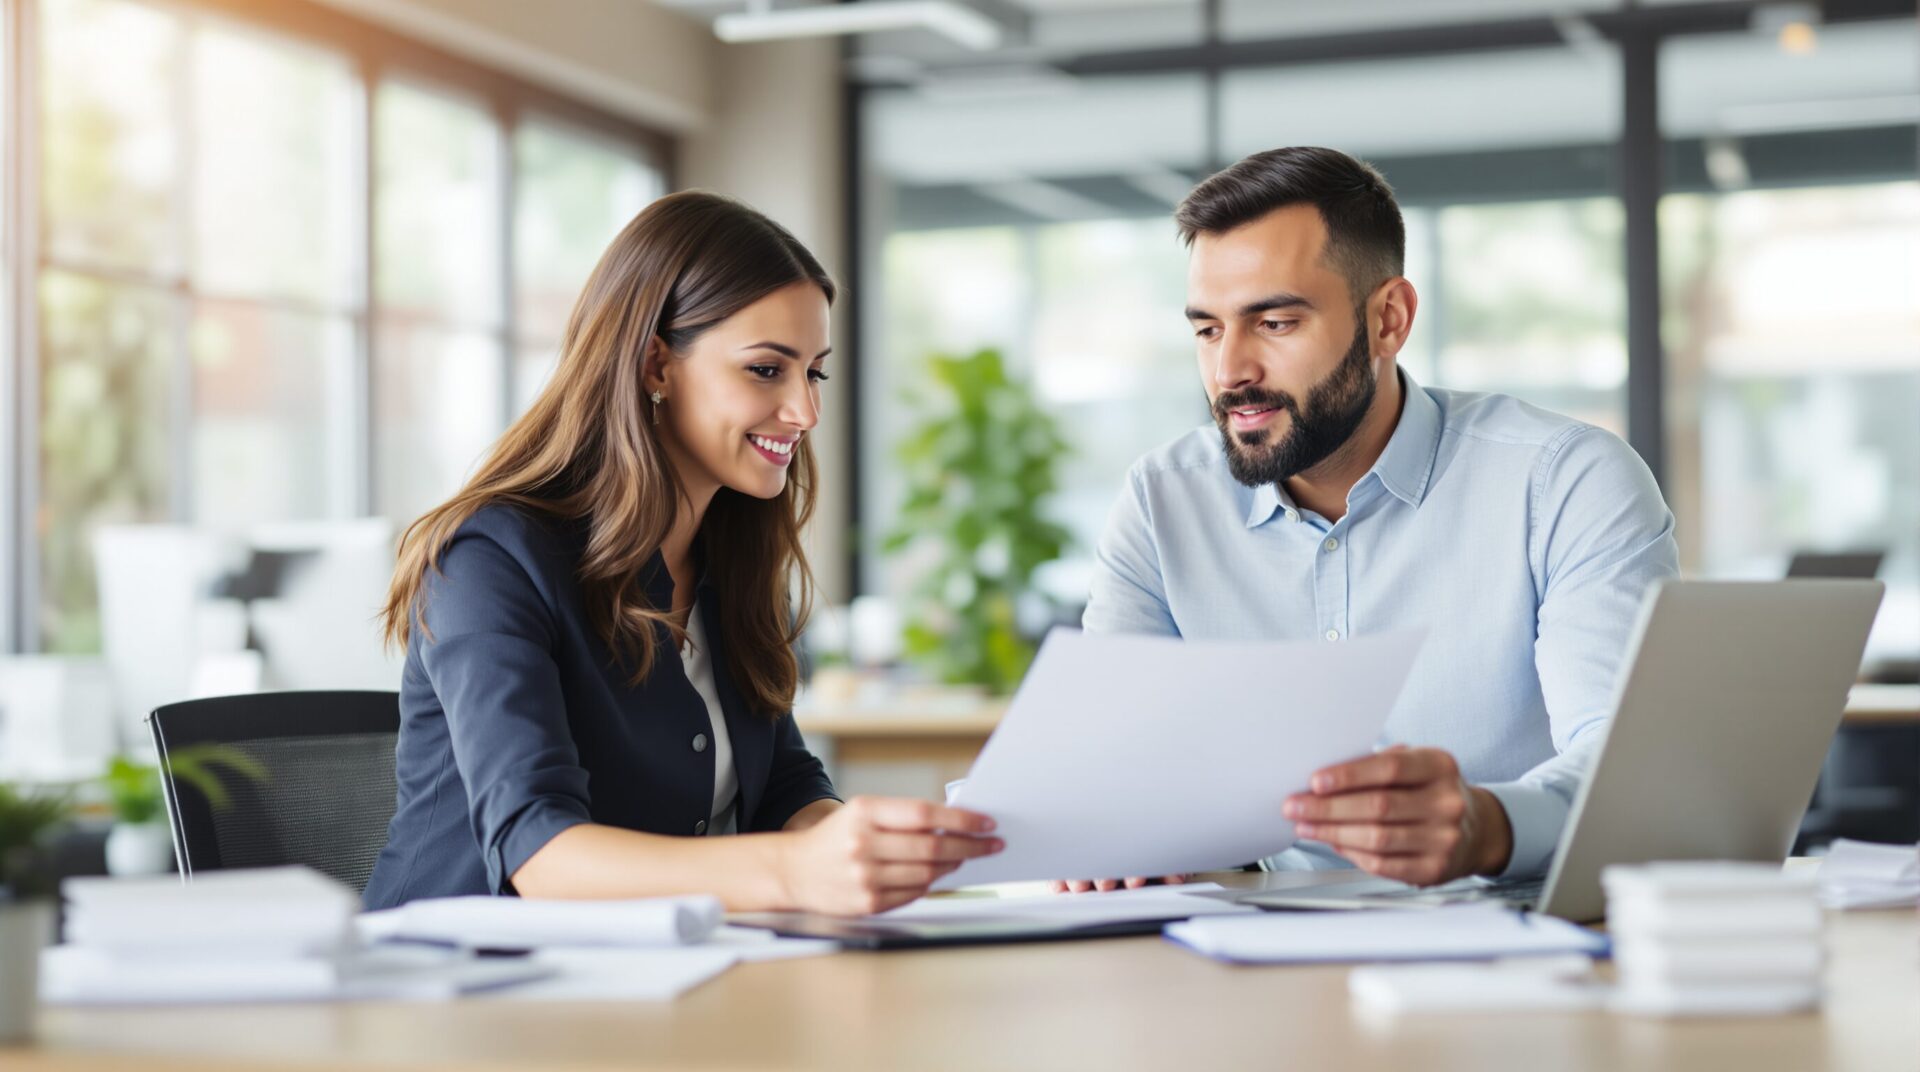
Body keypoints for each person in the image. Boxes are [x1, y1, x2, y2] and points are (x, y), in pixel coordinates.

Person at [362, 192, 1000, 914]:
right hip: (456, 994)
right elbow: (540, 851)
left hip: (654, 981)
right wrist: (796, 871)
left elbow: (783, 786)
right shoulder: (490, 560)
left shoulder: (730, 557)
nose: (806, 411)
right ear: (656, 365)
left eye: (814, 372)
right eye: (767, 370)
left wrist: (871, 851)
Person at [1065, 146, 1677, 893]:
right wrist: (1122, 830)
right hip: (1250, 956)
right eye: (1207, 330)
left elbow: (1630, 765)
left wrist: (1488, 826)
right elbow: (1117, 766)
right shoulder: (1164, 504)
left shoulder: (1563, 481)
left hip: (1521, 944)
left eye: (1275, 322)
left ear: (1388, 319)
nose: (1230, 372)